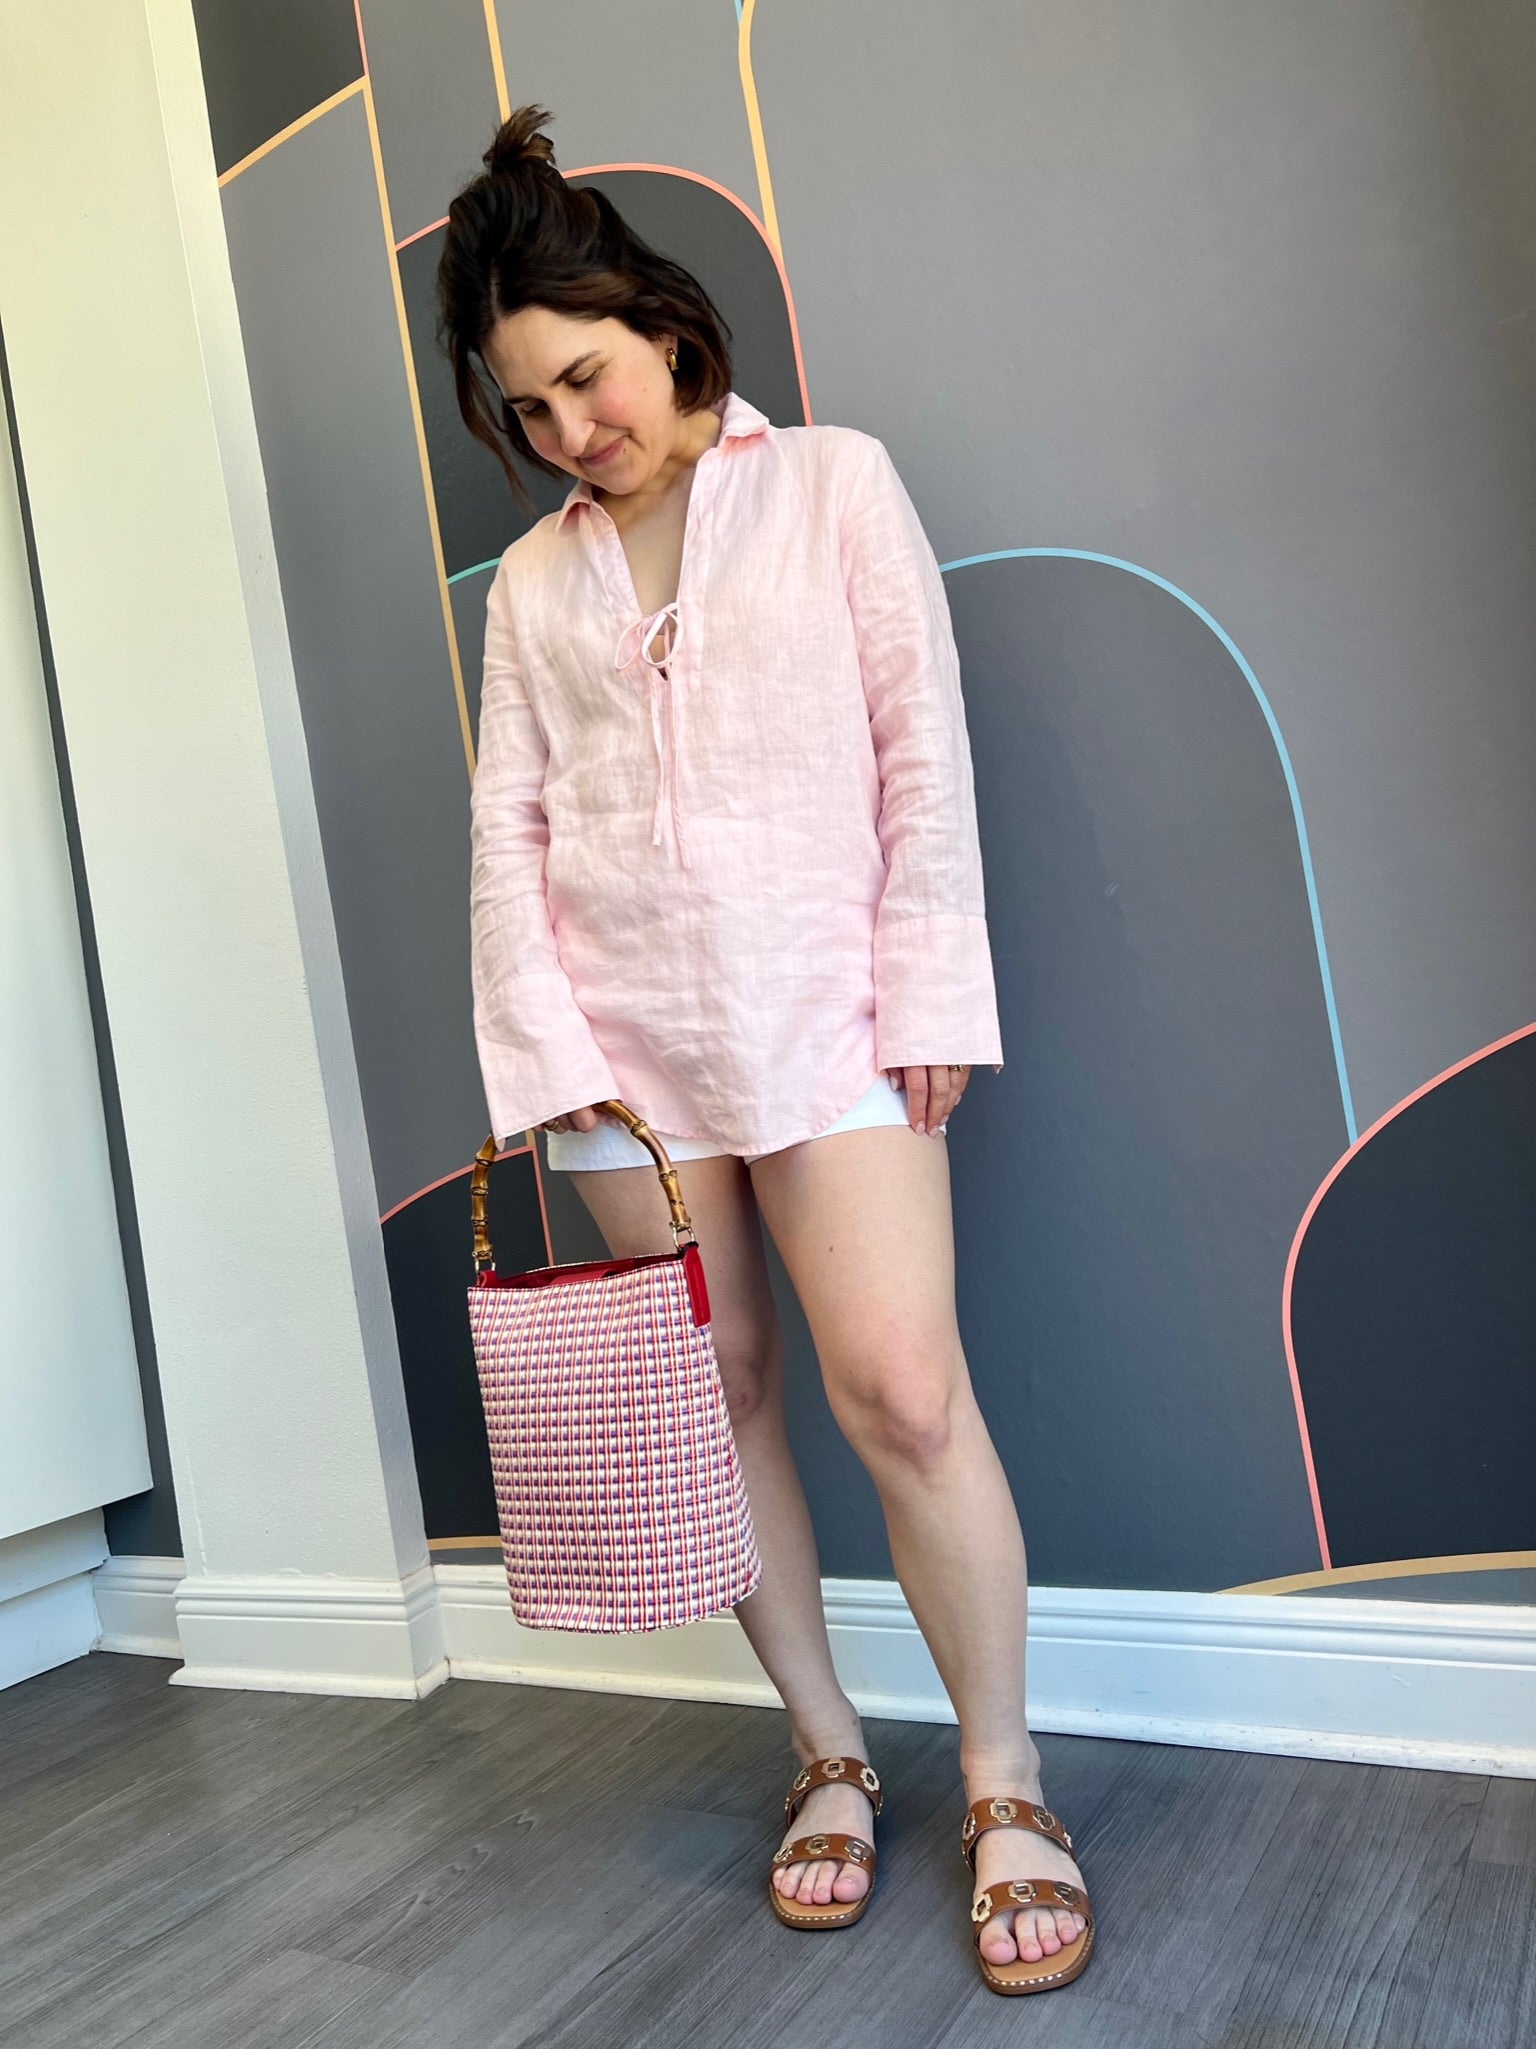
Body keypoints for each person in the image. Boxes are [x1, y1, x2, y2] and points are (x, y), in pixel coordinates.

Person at [437, 104, 1094, 1995]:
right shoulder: (534, 585)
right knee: (715, 1397)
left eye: (585, 377)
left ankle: (1003, 1779)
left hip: (825, 1011)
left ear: (658, 325)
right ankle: (825, 1750)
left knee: (904, 1393)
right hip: (618, 1058)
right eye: (531, 410)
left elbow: (921, 747)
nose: (572, 429)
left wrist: (928, 991)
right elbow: (509, 830)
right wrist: (545, 1059)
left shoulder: (832, 485)